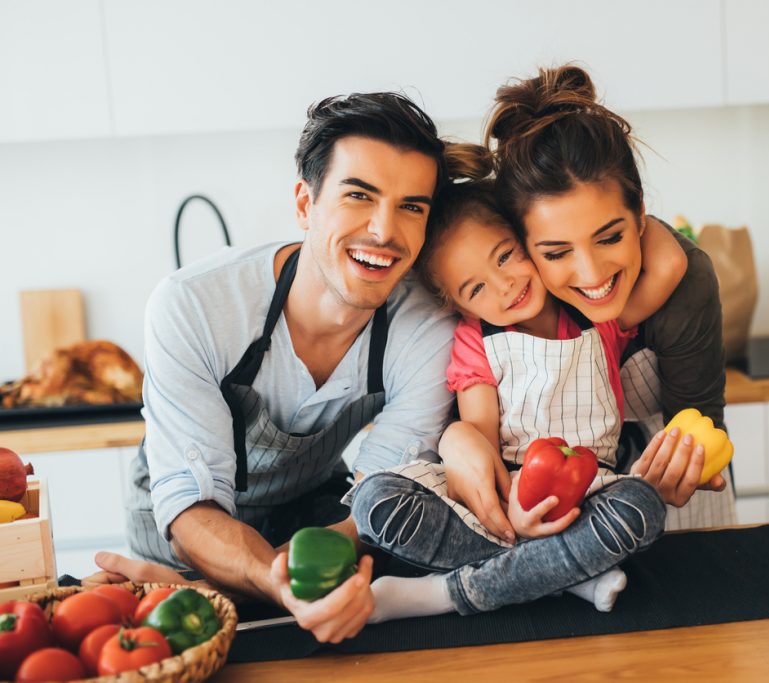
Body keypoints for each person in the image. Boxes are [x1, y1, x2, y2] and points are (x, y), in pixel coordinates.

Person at [94, 92, 458, 644]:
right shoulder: (193, 305)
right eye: (359, 195)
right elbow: (194, 507)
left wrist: (295, 578)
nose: (385, 231)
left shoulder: (427, 327)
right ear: (305, 204)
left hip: (308, 522)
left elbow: (382, 497)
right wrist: (272, 582)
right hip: (183, 537)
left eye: (412, 206)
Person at [348, 159, 690, 621]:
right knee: (376, 502)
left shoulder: (595, 311)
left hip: (590, 493)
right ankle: (572, 574)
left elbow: (669, 262)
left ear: (528, 237)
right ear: (457, 304)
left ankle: (446, 593)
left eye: (506, 255)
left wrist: (630, 211)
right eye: (476, 288)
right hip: (504, 493)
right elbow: (480, 440)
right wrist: (515, 511)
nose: (505, 285)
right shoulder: (476, 339)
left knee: (641, 508)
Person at [438, 64, 736, 543]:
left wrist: (681, 471)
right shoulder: (482, 316)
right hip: (533, 494)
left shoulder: (677, 284)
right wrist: (457, 442)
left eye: (609, 236)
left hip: (660, 474)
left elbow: (673, 265)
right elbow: (468, 429)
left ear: (641, 212)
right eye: (556, 252)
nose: (593, 274)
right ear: (522, 241)